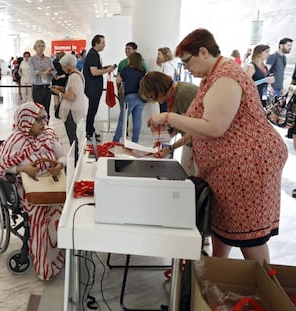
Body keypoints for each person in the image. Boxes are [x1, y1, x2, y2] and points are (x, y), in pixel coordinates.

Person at [148, 28, 287, 264]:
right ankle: (215, 273)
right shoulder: (211, 77)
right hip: (227, 169)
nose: (187, 67)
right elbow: (200, 124)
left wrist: (169, 118)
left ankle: (265, 290)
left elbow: (214, 127)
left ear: (203, 52)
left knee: (249, 237)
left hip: (248, 167)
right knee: (223, 227)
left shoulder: (226, 77)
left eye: (187, 61)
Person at [0, 102, 66, 281]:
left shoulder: (48, 135)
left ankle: (60, 256)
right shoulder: (15, 140)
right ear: (26, 121)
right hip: (27, 190)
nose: (44, 122)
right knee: (42, 215)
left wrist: (60, 165)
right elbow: (0, 167)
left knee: (65, 210)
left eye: (44, 117)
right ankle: (45, 265)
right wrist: (23, 169)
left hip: (51, 183)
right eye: (38, 119)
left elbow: (62, 155)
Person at [139, 71, 198, 175]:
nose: (154, 101)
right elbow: (180, 124)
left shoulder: (183, 94)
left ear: (160, 89)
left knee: (191, 181)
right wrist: (161, 137)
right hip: (190, 144)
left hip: (200, 146)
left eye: (153, 97)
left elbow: (195, 131)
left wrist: (171, 147)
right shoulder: (173, 96)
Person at [51, 53, 85, 159]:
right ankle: (75, 156)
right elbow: (72, 91)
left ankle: (74, 158)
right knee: (73, 134)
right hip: (74, 109)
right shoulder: (78, 74)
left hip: (71, 110)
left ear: (68, 65)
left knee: (72, 136)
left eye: (63, 66)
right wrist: (61, 88)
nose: (62, 69)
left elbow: (70, 97)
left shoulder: (73, 77)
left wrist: (58, 93)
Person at [83, 34, 116, 141]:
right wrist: (107, 70)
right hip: (93, 88)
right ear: (96, 43)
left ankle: (91, 130)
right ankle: (89, 132)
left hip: (95, 87)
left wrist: (106, 68)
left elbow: (97, 68)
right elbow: (94, 72)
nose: (104, 45)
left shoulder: (95, 54)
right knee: (92, 110)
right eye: (103, 43)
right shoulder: (93, 54)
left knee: (93, 109)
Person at [113, 52, 146, 144]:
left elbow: (118, 80)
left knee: (122, 119)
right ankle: (135, 141)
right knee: (137, 119)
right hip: (141, 98)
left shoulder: (126, 70)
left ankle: (116, 140)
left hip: (130, 97)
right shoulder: (142, 71)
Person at [30, 40, 54, 118]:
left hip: (47, 87)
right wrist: (44, 72)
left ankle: (46, 127)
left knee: (47, 109)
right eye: (39, 46)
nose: (41, 48)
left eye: (42, 46)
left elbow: (53, 70)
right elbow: (33, 72)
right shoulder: (32, 59)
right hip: (37, 87)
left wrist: (52, 73)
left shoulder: (48, 59)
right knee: (38, 110)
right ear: (35, 48)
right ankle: (39, 128)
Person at [52, 51, 67, 118]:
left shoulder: (54, 61)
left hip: (56, 80)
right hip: (62, 81)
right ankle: (60, 111)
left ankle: (56, 110)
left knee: (56, 95)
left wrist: (55, 76)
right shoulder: (65, 63)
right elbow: (66, 73)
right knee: (61, 95)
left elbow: (52, 71)